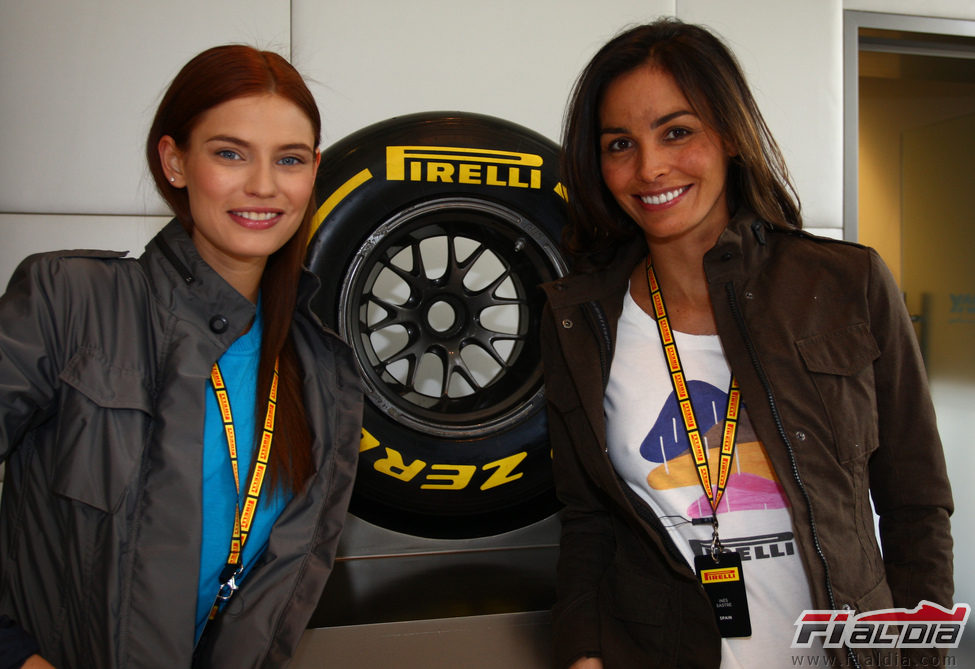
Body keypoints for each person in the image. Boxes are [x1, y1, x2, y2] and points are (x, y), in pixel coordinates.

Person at [540, 18, 954, 668]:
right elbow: (586, 519)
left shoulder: (847, 282)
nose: (649, 168)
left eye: (676, 131)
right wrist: (582, 652)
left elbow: (916, 505)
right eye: (619, 143)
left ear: (729, 134)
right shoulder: (578, 320)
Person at [0, 45, 362, 668]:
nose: (263, 186)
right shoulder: (71, 301)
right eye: (230, 153)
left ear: (314, 172)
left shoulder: (323, 375)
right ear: (174, 161)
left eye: (290, 160)